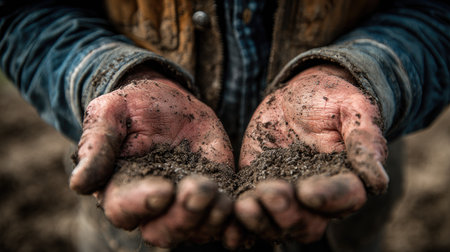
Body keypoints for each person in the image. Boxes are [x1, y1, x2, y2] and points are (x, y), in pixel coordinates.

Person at [0, 0, 449, 251]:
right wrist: (112, 76)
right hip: (132, 228)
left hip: (338, 213)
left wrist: (363, 74)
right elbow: (23, 14)